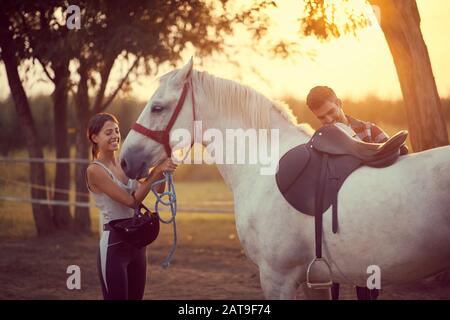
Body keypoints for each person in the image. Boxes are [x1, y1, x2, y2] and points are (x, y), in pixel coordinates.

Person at [306, 86, 408, 300]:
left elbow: (399, 163)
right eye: (322, 117)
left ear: (339, 102)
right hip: (333, 220)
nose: (329, 120)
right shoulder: (318, 143)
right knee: (331, 275)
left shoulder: (370, 131)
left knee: (369, 281)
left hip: (369, 219)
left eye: (331, 111)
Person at [85, 112, 178, 300]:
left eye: (117, 131)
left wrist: (163, 166)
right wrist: (156, 171)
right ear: (95, 138)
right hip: (114, 245)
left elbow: (159, 190)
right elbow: (131, 201)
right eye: (108, 132)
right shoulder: (95, 170)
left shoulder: (127, 164)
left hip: (137, 245)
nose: (115, 136)